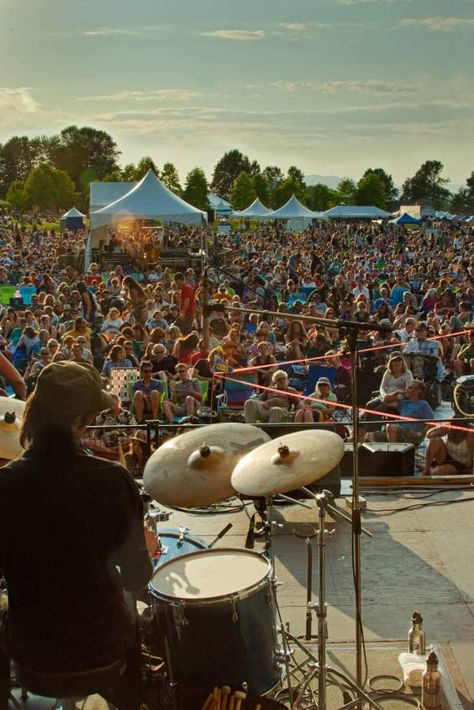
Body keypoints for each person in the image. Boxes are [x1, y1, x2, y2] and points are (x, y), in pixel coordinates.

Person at [0, 361, 154, 709]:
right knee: (130, 607)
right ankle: (134, 700)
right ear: (79, 419)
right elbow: (138, 577)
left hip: (30, 652)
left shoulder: (5, 485)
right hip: (103, 647)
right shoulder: (113, 481)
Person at [368, 379, 434, 446]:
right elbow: (385, 402)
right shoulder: (403, 402)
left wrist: (420, 433)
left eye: (414, 388)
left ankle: (394, 452)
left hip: (411, 435)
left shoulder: (423, 404)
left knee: (390, 426)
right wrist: (397, 393)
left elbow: (432, 423)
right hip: (397, 431)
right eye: (409, 387)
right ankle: (389, 451)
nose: (410, 389)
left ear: (420, 391)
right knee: (369, 435)